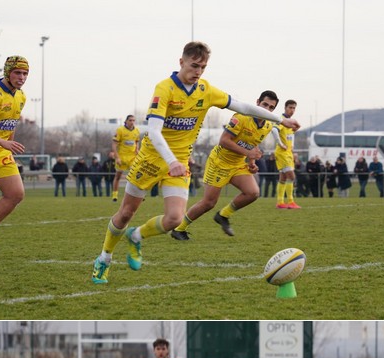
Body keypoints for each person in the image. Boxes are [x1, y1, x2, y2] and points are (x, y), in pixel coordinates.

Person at [88, 42, 300, 285]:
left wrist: (280, 119)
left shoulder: (205, 89)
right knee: (126, 212)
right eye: (194, 65)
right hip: (150, 159)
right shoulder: (164, 89)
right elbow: (154, 131)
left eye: (203, 67)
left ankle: (136, 236)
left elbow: (240, 105)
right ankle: (104, 258)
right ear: (181, 62)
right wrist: (170, 160)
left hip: (178, 164)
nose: (198, 71)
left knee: (174, 219)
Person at [170, 91, 279, 240]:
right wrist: (248, 153)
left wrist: (252, 163)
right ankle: (179, 228)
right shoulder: (240, 117)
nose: (266, 109)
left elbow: (252, 146)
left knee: (253, 193)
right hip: (219, 163)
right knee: (208, 203)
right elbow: (224, 141)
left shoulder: (267, 126)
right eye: (264, 104)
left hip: (238, 163)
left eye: (271, 107)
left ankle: (223, 215)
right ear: (257, 102)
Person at [0, 56, 29, 261]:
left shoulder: (21, 96)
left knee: (16, 193)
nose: (21, 77)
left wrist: (9, 146)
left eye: (25, 74)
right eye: (17, 73)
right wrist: (4, 143)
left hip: (1, 154)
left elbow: (10, 125)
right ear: (8, 73)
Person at [272, 99, 300, 209]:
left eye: (294, 108)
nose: (292, 110)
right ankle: (291, 202)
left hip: (287, 153)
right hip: (282, 153)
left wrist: (291, 147)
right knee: (291, 176)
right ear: (285, 108)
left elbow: (291, 134)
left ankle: (280, 202)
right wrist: (280, 143)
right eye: (290, 107)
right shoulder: (281, 120)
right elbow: (274, 130)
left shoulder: (290, 121)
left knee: (283, 178)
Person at [110, 115, 141, 202]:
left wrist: (137, 150)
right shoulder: (120, 130)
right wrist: (117, 157)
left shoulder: (137, 130)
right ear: (126, 121)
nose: (132, 122)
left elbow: (136, 142)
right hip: (122, 157)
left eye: (133, 120)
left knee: (136, 176)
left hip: (132, 158)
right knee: (118, 176)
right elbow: (114, 145)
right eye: (130, 120)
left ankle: (137, 195)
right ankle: (115, 195)